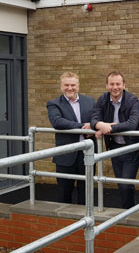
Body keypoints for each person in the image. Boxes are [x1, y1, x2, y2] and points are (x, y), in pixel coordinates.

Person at [91, 71, 139, 209]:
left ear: (124, 85)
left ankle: (128, 212)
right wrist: (100, 125)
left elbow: (132, 123)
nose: (115, 87)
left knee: (125, 184)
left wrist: (109, 128)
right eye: (112, 84)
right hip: (114, 148)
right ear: (107, 85)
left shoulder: (132, 100)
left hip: (131, 147)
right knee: (121, 184)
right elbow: (94, 119)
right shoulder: (103, 99)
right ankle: (127, 210)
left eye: (118, 84)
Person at [47, 72, 95, 205]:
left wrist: (93, 125)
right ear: (61, 86)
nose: (70, 88)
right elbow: (57, 122)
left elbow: (96, 118)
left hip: (87, 154)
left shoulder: (89, 101)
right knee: (64, 193)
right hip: (65, 155)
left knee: (86, 191)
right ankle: (66, 223)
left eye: (73, 85)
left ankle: (86, 221)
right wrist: (83, 127)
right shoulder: (54, 103)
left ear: (78, 86)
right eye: (66, 85)